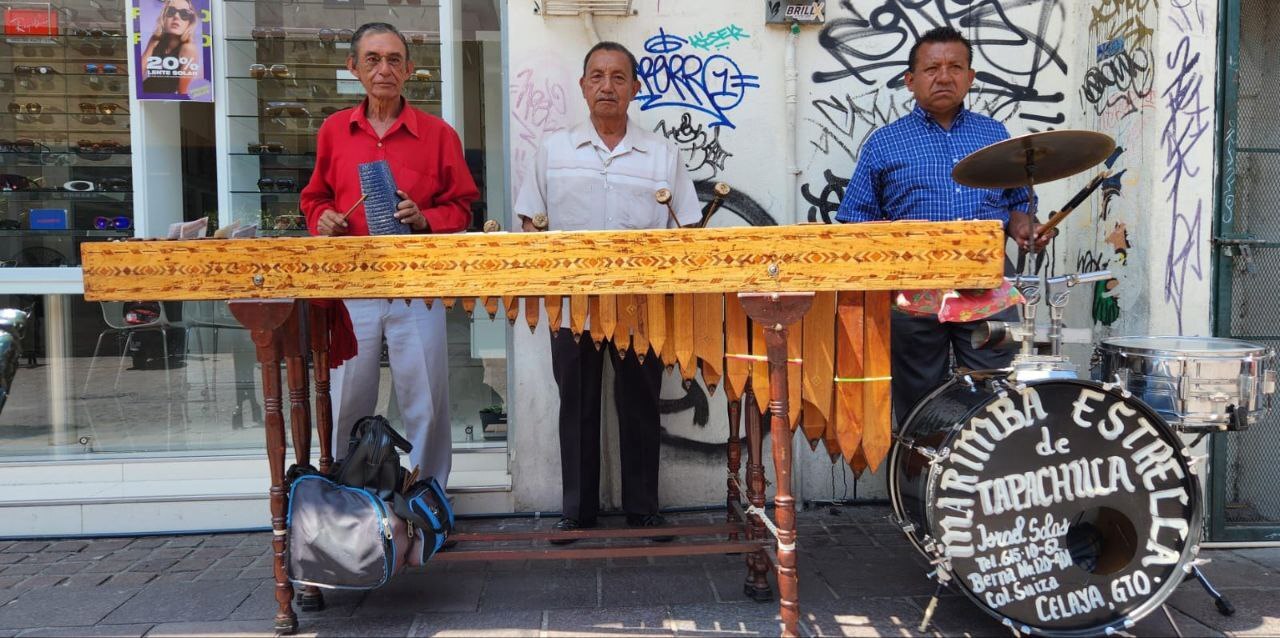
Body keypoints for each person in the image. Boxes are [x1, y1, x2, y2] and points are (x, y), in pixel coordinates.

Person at [514, 42, 700, 543]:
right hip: (570, 302)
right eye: (596, 76)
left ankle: (644, 508)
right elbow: (530, 222)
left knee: (640, 400)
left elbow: (686, 226)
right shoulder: (553, 150)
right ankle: (577, 510)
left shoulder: (662, 153)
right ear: (582, 87)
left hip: (641, 304)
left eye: (619, 77)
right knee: (575, 402)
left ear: (635, 89)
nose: (607, 87)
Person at [835, 26, 1052, 422]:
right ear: (910, 80)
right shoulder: (885, 142)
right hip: (914, 287)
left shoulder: (994, 135)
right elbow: (855, 219)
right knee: (920, 393)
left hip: (987, 282)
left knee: (997, 388)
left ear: (970, 77)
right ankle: (919, 478)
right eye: (932, 68)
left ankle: (988, 476)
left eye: (956, 67)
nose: (944, 76)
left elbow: (1018, 202)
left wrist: (1024, 227)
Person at [301, 22, 478, 489]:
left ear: (409, 70)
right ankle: (346, 500)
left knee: (426, 401)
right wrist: (323, 218)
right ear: (353, 67)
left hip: (415, 288)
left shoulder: (438, 134)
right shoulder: (334, 131)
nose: (384, 69)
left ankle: (428, 499)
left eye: (394, 60)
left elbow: (462, 207)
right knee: (346, 400)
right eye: (373, 59)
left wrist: (424, 219)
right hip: (351, 288)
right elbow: (313, 197)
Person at [140, 0, 200, 96]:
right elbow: (139, 72)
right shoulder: (156, 39)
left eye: (184, 14)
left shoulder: (189, 48)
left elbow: (183, 92)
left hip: (164, 100)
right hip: (145, 93)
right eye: (171, 11)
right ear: (164, 17)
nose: (176, 17)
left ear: (190, 22)